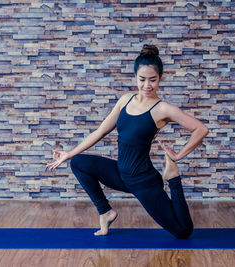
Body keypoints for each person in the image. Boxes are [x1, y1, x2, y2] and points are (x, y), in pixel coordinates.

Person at [47, 44, 209, 239]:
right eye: (142, 79)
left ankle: (173, 177)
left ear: (160, 79)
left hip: (143, 181)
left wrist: (178, 156)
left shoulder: (163, 109)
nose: (147, 85)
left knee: (183, 231)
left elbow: (201, 129)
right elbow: (100, 131)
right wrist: (69, 153)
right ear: (135, 78)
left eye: (153, 80)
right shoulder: (125, 100)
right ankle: (105, 212)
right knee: (78, 163)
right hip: (121, 174)